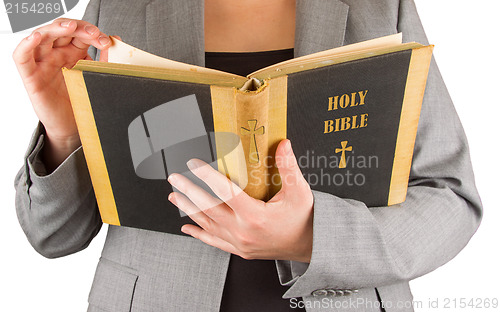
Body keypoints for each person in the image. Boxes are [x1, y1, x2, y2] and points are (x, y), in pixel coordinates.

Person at [13, 0, 482, 311]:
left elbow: (449, 196)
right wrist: (64, 128)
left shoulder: (377, 4)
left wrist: (312, 238)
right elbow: (54, 237)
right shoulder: (119, 6)